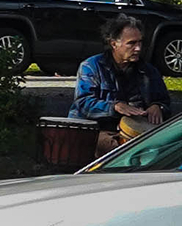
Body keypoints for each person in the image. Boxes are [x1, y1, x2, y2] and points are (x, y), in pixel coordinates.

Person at [73, 17, 171, 155]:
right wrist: (115, 107)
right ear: (114, 43)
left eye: (140, 42)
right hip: (97, 129)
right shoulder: (91, 66)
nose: (138, 48)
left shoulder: (149, 71)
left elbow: (164, 101)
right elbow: (82, 104)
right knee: (113, 148)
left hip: (138, 134)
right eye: (131, 43)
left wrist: (157, 106)